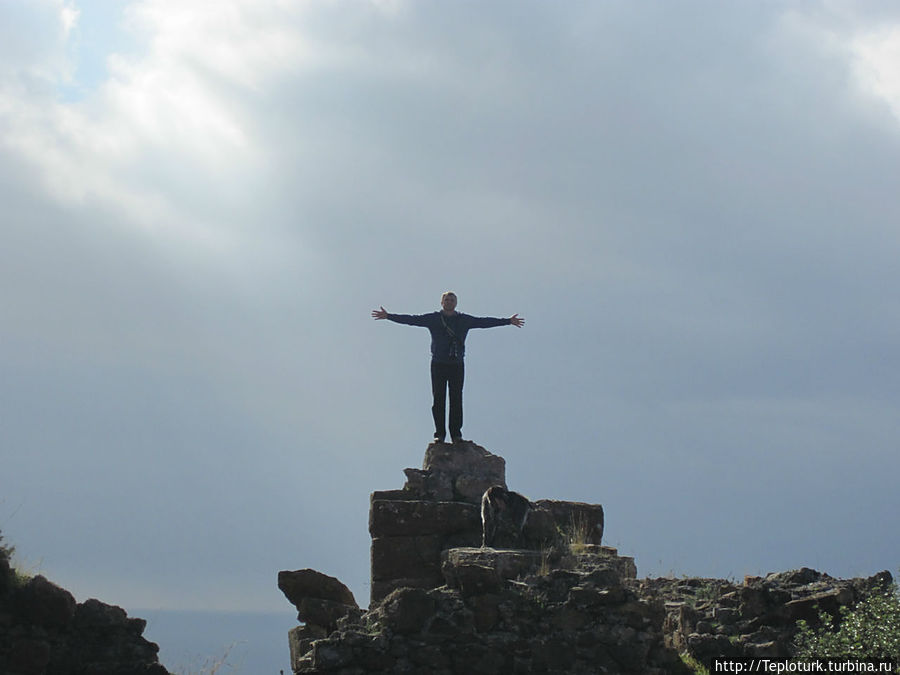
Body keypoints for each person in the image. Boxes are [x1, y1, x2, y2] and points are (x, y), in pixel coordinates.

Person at [372, 292, 524, 444]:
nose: (449, 302)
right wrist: (389, 316)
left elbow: (483, 322)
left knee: (456, 399)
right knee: (438, 399)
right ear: (441, 302)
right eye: (447, 300)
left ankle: (456, 435)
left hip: (456, 365)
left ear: (456, 303)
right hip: (438, 363)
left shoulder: (463, 320)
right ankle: (440, 435)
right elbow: (413, 320)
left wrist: (508, 321)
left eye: (452, 300)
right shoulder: (434, 319)